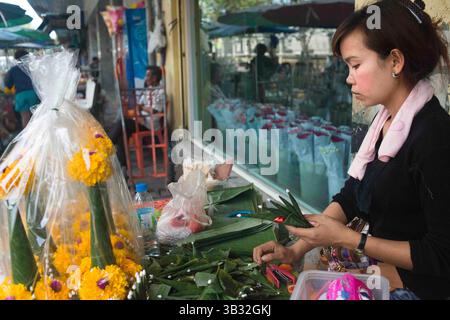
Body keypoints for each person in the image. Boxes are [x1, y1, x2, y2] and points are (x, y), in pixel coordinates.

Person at [253, 0, 450, 300]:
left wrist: (351, 240)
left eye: (356, 65)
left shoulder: (434, 136)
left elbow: (441, 255)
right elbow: (353, 195)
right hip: (381, 275)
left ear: (395, 62)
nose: (348, 78)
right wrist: (295, 250)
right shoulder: (385, 122)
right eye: (347, 67)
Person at [110, 65, 165, 167]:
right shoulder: (147, 90)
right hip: (141, 121)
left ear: (155, 78)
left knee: (124, 122)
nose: (146, 78)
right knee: (122, 131)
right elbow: (138, 106)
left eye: (148, 76)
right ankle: (123, 166)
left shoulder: (160, 92)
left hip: (150, 125)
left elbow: (154, 110)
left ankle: (108, 144)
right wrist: (139, 112)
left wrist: (142, 109)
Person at [4, 50, 40, 128]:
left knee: (25, 117)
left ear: (16, 58)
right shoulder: (31, 67)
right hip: (33, 93)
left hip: (20, 95)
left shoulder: (13, 70)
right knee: (36, 116)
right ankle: (38, 134)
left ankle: (27, 138)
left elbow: (8, 84)